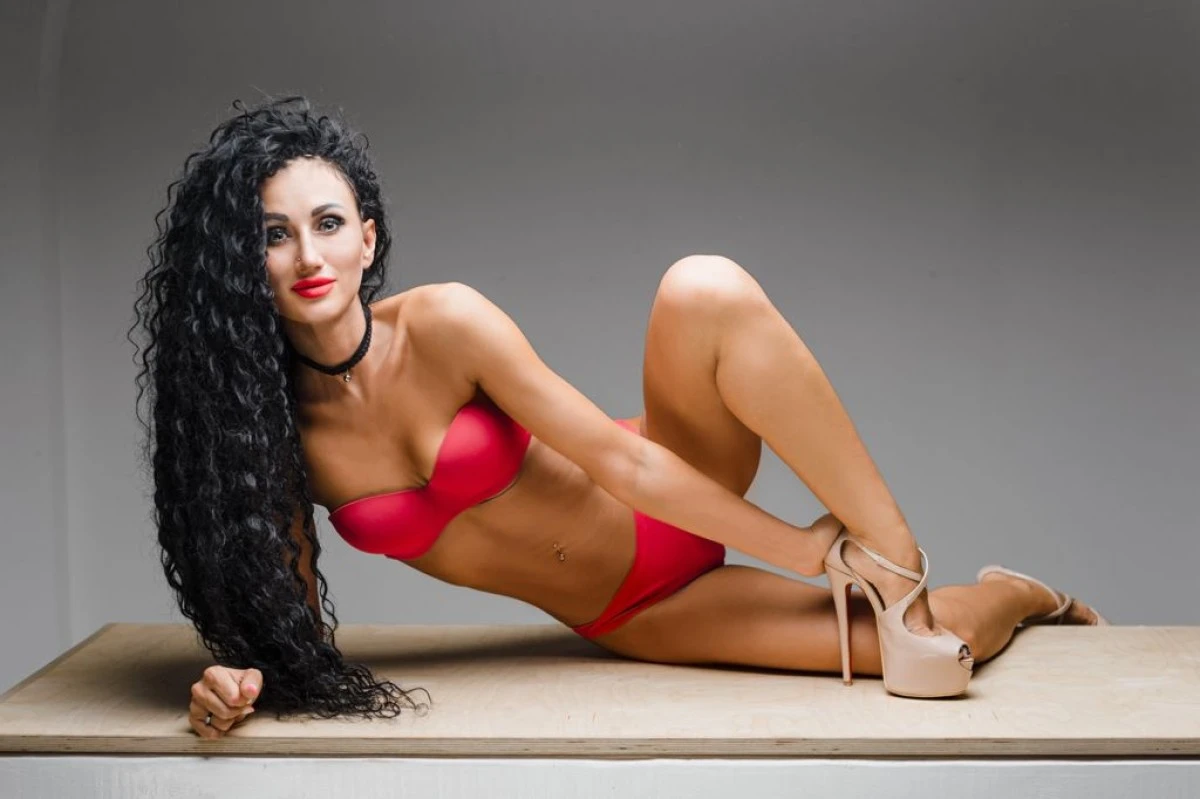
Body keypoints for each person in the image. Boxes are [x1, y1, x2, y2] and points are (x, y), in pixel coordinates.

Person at [130, 96, 1106, 740]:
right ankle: (1022, 593)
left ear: (367, 237)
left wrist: (810, 550)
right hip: (634, 611)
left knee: (702, 288)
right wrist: (236, 683)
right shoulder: (276, 438)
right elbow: (290, 620)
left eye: (328, 222)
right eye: (274, 234)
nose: (308, 255)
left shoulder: (446, 323)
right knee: (917, 658)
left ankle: (893, 558)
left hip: (671, 477)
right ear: (241, 261)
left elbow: (618, 462)